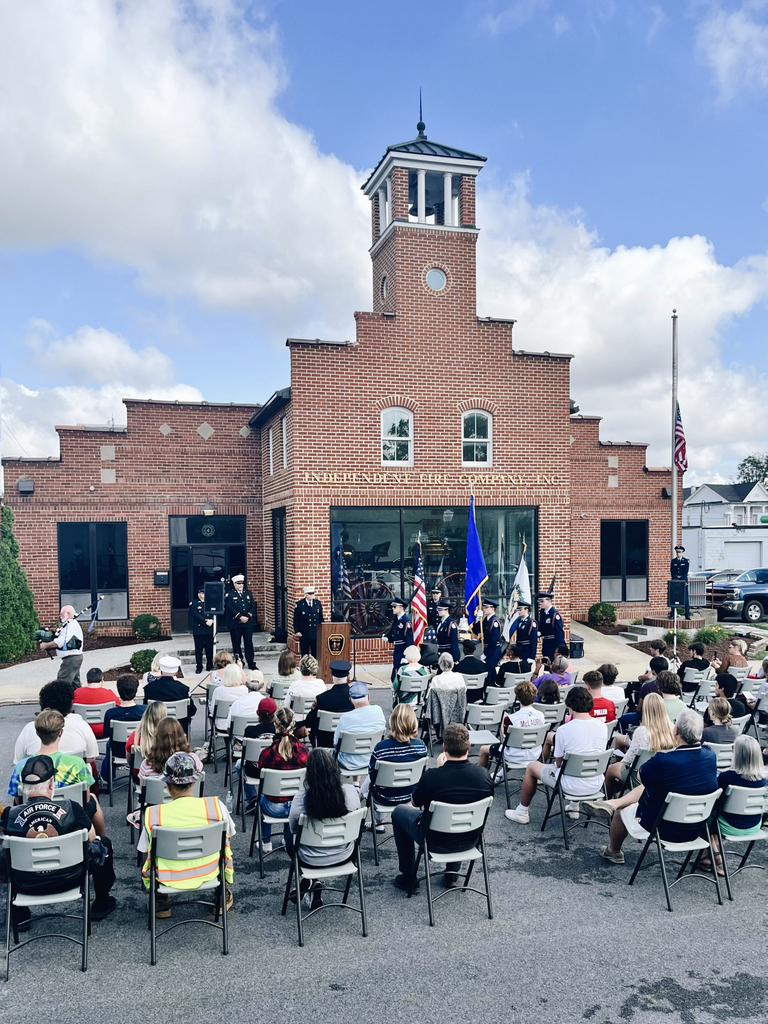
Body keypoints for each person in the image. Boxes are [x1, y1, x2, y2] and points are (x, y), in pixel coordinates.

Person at [583, 709, 717, 865]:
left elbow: (640, 776)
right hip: (696, 826)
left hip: (663, 827)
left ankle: (613, 850)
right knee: (657, 786)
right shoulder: (710, 755)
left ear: (676, 730)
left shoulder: (664, 760)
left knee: (622, 810)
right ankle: (613, 803)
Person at [1, 755, 117, 927]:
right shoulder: (71, 807)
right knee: (104, 843)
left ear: (23, 787)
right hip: (70, 879)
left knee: (5, 853)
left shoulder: (9, 814)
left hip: (25, 883)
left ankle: (20, 914)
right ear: (51, 784)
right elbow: (92, 837)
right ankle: (101, 902)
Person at [391, 722, 493, 892]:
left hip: (434, 840)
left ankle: (409, 876)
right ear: (468, 746)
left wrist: (440, 771)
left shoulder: (432, 776)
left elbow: (414, 802)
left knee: (398, 812)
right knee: (462, 809)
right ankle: (452, 873)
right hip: (470, 839)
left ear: (444, 747)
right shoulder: (483, 775)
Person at [139, 751, 235, 917]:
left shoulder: (153, 814)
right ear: (194, 783)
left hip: (168, 877)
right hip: (209, 872)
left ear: (168, 786)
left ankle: (161, 902)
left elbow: (144, 851)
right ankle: (220, 897)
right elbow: (229, 837)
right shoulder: (216, 806)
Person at [505, 686, 607, 824]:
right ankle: (574, 807)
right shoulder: (602, 726)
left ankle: (522, 812)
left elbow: (559, 762)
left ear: (569, 704)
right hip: (596, 783)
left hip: (570, 784)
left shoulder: (564, 730)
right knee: (578, 760)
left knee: (531, 767)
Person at [287, 748, 362, 909]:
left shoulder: (301, 799)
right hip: (344, 855)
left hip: (309, 859)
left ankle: (308, 880)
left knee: (289, 832)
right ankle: (312, 884)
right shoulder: (349, 792)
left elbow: (293, 829)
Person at [7, 710, 103, 832]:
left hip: (32, 817)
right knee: (93, 799)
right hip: (70, 816)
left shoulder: (22, 765)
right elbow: (86, 798)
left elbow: (18, 801)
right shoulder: (77, 763)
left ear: (37, 733)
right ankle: (100, 839)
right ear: (60, 733)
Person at [705, 734, 767, 874]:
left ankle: (715, 854)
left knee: (702, 816)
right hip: (754, 825)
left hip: (730, 827)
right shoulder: (763, 781)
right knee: (713, 816)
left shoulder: (727, 777)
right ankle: (707, 857)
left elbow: (714, 802)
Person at [361, 705, 428, 830]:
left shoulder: (381, 748)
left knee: (372, 780)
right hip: (410, 796)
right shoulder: (421, 747)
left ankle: (376, 820)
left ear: (393, 722)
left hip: (384, 797)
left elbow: (372, 775)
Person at [255, 707, 308, 851]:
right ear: (293, 725)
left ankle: (265, 842)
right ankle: (288, 839)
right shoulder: (304, 751)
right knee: (292, 795)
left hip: (273, 807)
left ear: (275, 725)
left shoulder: (266, 753)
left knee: (261, 797)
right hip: (298, 807)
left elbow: (261, 777)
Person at [604, 693, 676, 798]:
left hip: (640, 774)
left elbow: (629, 760)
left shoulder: (641, 731)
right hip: (663, 773)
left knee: (611, 769)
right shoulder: (673, 728)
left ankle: (608, 801)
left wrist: (623, 755)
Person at [13, 680, 98, 765]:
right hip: (76, 776)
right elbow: (92, 756)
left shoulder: (29, 728)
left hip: (39, 776)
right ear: (69, 704)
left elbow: (18, 761)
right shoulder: (82, 725)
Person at [478, 680, 546, 778]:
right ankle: (499, 775)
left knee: (483, 749)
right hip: (534, 754)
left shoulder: (510, 719)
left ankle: (481, 779)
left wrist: (502, 724)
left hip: (514, 755)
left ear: (517, 697)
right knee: (514, 744)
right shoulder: (541, 715)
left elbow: (504, 739)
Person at [99, 673, 147, 785]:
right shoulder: (145, 711)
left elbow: (106, 733)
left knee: (108, 744)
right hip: (139, 750)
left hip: (117, 751)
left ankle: (107, 776)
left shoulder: (111, 713)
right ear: (135, 691)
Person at [333, 681, 387, 774]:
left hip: (348, 764)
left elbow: (335, 744)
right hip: (373, 760)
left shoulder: (345, 718)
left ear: (350, 700)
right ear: (368, 696)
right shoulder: (378, 710)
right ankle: (356, 784)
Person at [303, 659, 354, 747]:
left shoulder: (322, 698)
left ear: (331, 677)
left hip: (325, 743)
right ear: (348, 677)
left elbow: (309, 722)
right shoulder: (355, 698)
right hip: (349, 741)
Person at [139, 718, 205, 779]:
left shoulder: (146, 765)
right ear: (181, 736)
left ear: (157, 738)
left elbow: (143, 789)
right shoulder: (193, 760)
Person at [143, 655, 196, 730]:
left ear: (161, 671)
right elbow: (192, 711)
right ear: (176, 673)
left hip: (156, 727)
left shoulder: (149, 688)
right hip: (179, 727)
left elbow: (146, 710)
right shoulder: (184, 689)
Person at [38, 605, 84, 685]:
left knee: (62, 683)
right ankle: (78, 697)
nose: (60, 616)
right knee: (75, 684)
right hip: (74, 658)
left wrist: (46, 645)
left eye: (61, 614)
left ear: (68, 613)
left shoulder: (71, 625)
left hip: (71, 659)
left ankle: (60, 697)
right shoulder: (69, 624)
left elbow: (61, 642)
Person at [225, 573, 257, 669]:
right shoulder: (229, 595)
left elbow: (252, 606)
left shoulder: (248, 594)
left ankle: (251, 662)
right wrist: (239, 617)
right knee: (236, 643)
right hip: (236, 623)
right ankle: (239, 661)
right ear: (234, 584)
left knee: (248, 643)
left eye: (242, 583)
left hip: (247, 623)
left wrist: (247, 616)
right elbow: (229, 608)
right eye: (238, 583)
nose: (241, 585)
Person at [72, 668, 116, 738]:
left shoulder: (77, 693)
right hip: (104, 731)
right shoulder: (109, 693)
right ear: (102, 679)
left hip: (83, 731)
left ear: (87, 680)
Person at [208, 662, 248, 730]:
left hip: (221, 724)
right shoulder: (245, 690)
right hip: (240, 724)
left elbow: (212, 711)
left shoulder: (218, 690)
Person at [471, 599, 502, 686]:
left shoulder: (494, 622)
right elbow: (476, 630)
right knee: (490, 674)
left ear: (492, 608)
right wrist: (477, 619)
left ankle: (491, 691)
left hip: (493, 651)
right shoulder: (486, 620)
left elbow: (494, 641)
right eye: (483, 607)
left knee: (489, 673)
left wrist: (486, 654)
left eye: (486, 607)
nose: (484, 609)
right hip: (488, 650)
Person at [384, 597, 414, 681]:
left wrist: (406, 656)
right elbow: (396, 635)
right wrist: (389, 638)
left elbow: (409, 639)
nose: (392, 609)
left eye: (395, 607)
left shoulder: (405, 621)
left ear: (401, 608)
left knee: (398, 676)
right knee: (395, 674)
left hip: (402, 650)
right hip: (397, 649)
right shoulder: (397, 619)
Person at [292, 585, 324, 657]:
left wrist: (322, 630)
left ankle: (314, 667)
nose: (312, 595)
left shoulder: (317, 603)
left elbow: (321, 619)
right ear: (305, 594)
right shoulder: (300, 604)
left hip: (315, 633)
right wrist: (297, 631)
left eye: (313, 593)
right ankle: (305, 667)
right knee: (305, 653)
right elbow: (296, 619)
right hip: (304, 632)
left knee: (315, 653)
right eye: (310, 594)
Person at [188, 586, 214, 674]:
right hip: (199, 629)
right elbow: (195, 615)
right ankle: (199, 666)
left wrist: (212, 620)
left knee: (209, 649)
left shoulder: (210, 602)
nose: (201, 595)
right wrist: (205, 621)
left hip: (209, 629)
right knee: (199, 649)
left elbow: (215, 612)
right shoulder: (194, 603)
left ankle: (209, 665)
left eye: (203, 593)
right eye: (200, 593)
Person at [507, 598, 539, 665]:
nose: (519, 612)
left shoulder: (531, 622)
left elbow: (533, 640)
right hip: (519, 650)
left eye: (520, 610)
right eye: (518, 610)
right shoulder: (519, 621)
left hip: (527, 650)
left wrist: (532, 656)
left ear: (526, 609)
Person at [537, 592, 565, 662]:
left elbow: (559, 632)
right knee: (546, 663)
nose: (540, 603)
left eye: (542, 601)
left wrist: (560, 648)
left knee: (553, 664)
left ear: (549, 601)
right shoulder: (543, 613)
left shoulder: (554, 614)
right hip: (546, 643)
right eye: (539, 601)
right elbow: (543, 629)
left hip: (553, 644)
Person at [669, 544, 690, 618]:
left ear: (682, 552)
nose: (678, 554)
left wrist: (682, 580)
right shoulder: (673, 561)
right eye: (677, 552)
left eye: (680, 552)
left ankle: (687, 614)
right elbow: (672, 571)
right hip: (675, 581)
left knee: (685, 598)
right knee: (673, 597)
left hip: (683, 581)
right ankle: (672, 613)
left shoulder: (685, 561)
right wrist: (675, 579)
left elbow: (685, 572)